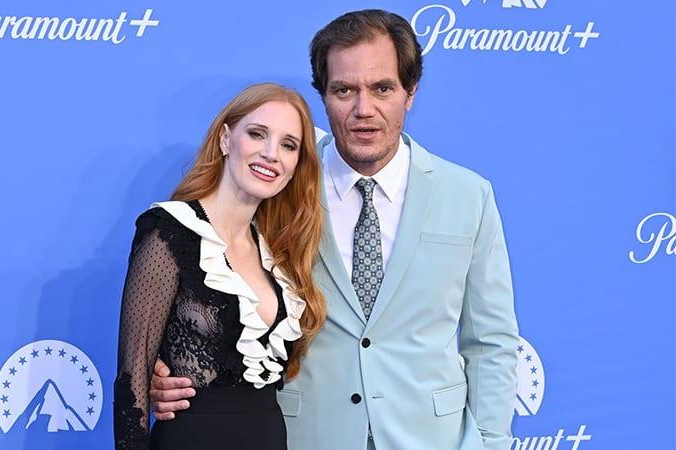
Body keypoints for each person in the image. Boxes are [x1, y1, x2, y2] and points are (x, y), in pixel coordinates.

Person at [150, 10, 519, 450]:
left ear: (410, 92)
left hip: (431, 438)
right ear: (323, 97)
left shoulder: (468, 195)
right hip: (304, 436)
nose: (364, 110)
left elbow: (490, 343)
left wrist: (491, 442)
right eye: (344, 90)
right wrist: (170, 372)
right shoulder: (277, 188)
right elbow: (204, 295)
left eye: (382, 88)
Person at [113, 83, 326, 450]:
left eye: (288, 145)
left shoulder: (280, 255)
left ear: (295, 167)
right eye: (257, 134)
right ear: (226, 139)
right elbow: (132, 380)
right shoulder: (168, 232)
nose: (271, 154)